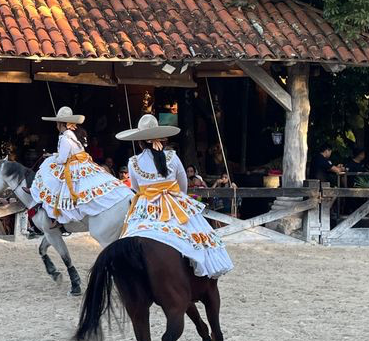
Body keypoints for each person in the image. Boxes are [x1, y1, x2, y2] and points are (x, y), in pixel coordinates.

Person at [117, 114, 233, 278]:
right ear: (161, 138)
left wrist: (150, 191)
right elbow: (183, 184)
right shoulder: (172, 156)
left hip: (147, 203)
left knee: (129, 234)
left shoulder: (133, 162)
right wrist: (178, 198)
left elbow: (136, 188)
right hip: (173, 200)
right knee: (197, 236)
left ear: (139, 142)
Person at [29, 107, 129, 224]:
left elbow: (62, 159)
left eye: (57, 123)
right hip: (82, 162)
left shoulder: (65, 138)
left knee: (49, 169)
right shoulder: (75, 135)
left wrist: (53, 157)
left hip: (73, 164)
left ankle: (56, 213)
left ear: (60, 124)